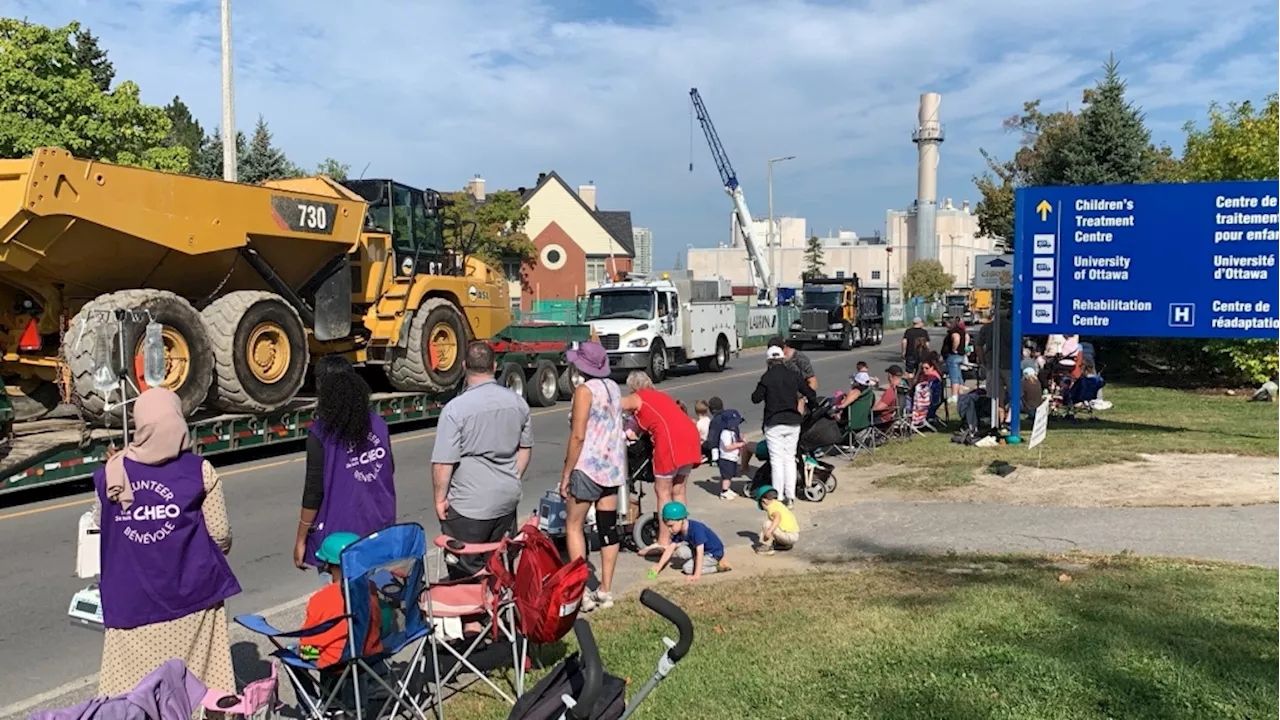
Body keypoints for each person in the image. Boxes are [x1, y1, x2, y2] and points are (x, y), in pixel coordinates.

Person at [92, 388, 241, 696]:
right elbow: (220, 534)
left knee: (132, 696)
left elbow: (99, 522)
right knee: (195, 687)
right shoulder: (199, 471)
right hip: (192, 597)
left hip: (129, 604)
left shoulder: (112, 473)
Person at [432, 341, 533, 578]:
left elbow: (442, 463)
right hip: (506, 500)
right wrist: (512, 478)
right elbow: (524, 450)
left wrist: (440, 499)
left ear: (464, 366)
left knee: (465, 569)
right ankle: (497, 608)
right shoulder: (518, 403)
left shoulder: (455, 409)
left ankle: (475, 611)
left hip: (470, 505)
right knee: (498, 560)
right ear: (494, 366)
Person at [295, 356, 396, 570]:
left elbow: (313, 492)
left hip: (339, 538)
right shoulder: (378, 423)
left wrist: (301, 538)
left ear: (321, 386)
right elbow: (390, 469)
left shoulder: (320, 433)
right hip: (380, 526)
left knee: (341, 597)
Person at [559, 341, 626, 612]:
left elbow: (578, 435)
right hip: (612, 468)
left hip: (588, 467)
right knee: (608, 528)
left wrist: (566, 473)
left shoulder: (584, 391)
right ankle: (606, 589)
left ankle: (582, 591)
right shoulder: (613, 388)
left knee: (574, 526)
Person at [621, 371, 703, 550]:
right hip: (689, 435)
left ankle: (664, 540)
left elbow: (619, 405)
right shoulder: (662, 396)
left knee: (663, 491)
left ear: (634, 388)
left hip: (669, 440)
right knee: (679, 489)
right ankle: (682, 534)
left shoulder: (638, 397)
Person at [296, 532, 382, 701]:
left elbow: (308, 645)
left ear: (327, 565)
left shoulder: (321, 599)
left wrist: (300, 650)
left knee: (292, 654)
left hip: (336, 662)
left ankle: (313, 709)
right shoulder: (370, 588)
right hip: (368, 654)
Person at [752, 345, 818, 508]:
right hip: (793, 422)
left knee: (777, 461)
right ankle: (791, 497)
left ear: (768, 361)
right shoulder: (794, 375)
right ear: (782, 359)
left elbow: (755, 398)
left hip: (773, 423)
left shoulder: (766, 378)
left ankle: (778, 496)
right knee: (789, 459)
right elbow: (810, 393)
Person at [651, 501, 730, 582]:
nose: (669, 529)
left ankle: (717, 567)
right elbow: (670, 549)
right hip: (699, 549)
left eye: (671, 526)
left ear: (682, 520)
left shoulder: (697, 530)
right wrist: (658, 567)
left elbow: (700, 552)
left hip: (713, 553)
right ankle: (699, 562)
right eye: (668, 526)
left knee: (687, 568)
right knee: (680, 552)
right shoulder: (679, 530)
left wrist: (696, 575)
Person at [754, 485, 799, 555]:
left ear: (764, 501)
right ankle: (783, 544)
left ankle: (766, 547)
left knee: (767, 524)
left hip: (788, 536)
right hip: (794, 535)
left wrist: (769, 531)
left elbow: (777, 517)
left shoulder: (771, 507)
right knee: (775, 526)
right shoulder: (779, 504)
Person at [716, 409, 745, 499]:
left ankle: (727, 489)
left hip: (732, 458)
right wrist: (739, 444)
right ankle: (724, 491)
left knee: (730, 475)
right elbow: (728, 447)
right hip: (726, 458)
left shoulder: (732, 432)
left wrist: (741, 438)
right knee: (726, 476)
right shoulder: (725, 433)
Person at [943, 319, 968, 403]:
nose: (945, 324)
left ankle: (954, 395)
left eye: (946, 323)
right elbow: (967, 337)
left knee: (954, 377)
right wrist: (964, 346)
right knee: (958, 375)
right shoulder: (962, 331)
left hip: (953, 356)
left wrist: (954, 349)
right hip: (960, 355)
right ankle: (960, 393)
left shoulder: (954, 332)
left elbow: (956, 338)